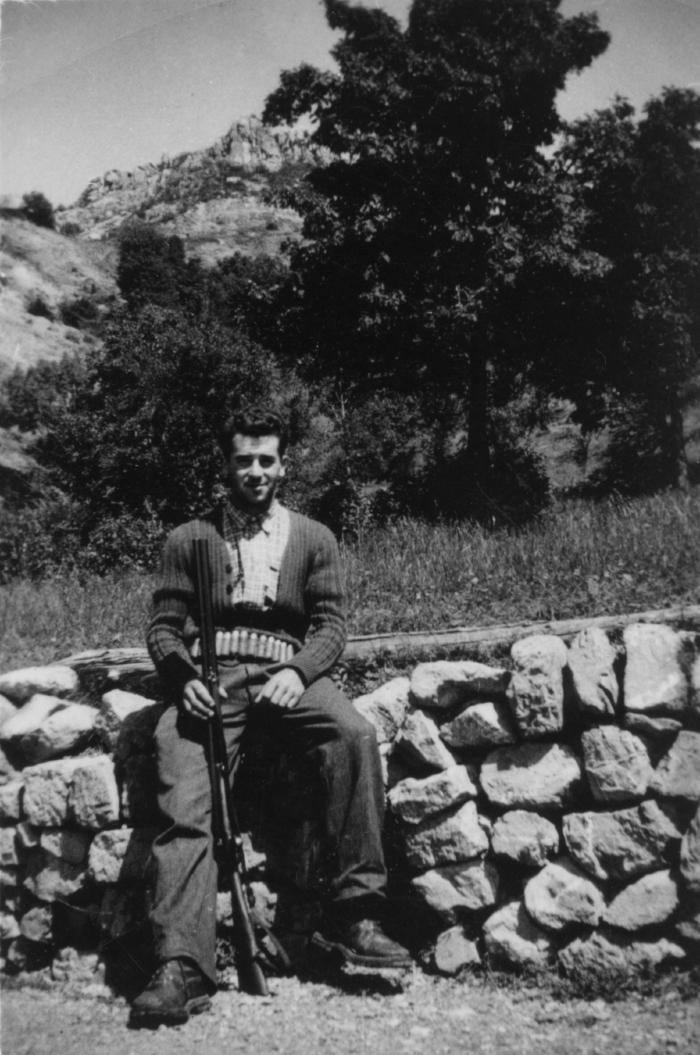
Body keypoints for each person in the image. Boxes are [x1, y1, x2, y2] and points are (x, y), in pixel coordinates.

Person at [130, 406, 411, 1026]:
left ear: (283, 465)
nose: (255, 472)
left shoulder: (313, 537)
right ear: (225, 466)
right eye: (242, 461)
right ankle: (182, 964)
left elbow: (332, 626)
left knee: (355, 735)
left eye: (266, 460)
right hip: (211, 683)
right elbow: (163, 628)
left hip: (288, 678)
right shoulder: (189, 538)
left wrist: (298, 672)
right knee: (185, 793)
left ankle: (354, 916)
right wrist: (182, 682)